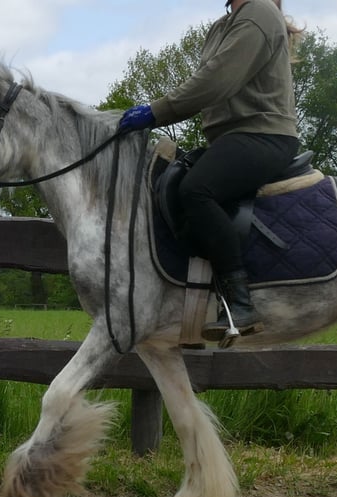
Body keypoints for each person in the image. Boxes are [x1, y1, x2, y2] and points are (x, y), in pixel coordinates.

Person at [119, 0, 303, 341]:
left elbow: (216, 81)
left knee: (196, 190)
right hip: (229, 140)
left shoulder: (260, 12)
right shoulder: (223, 26)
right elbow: (207, 81)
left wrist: (155, 112)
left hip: (263, 135)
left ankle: (241, 303)